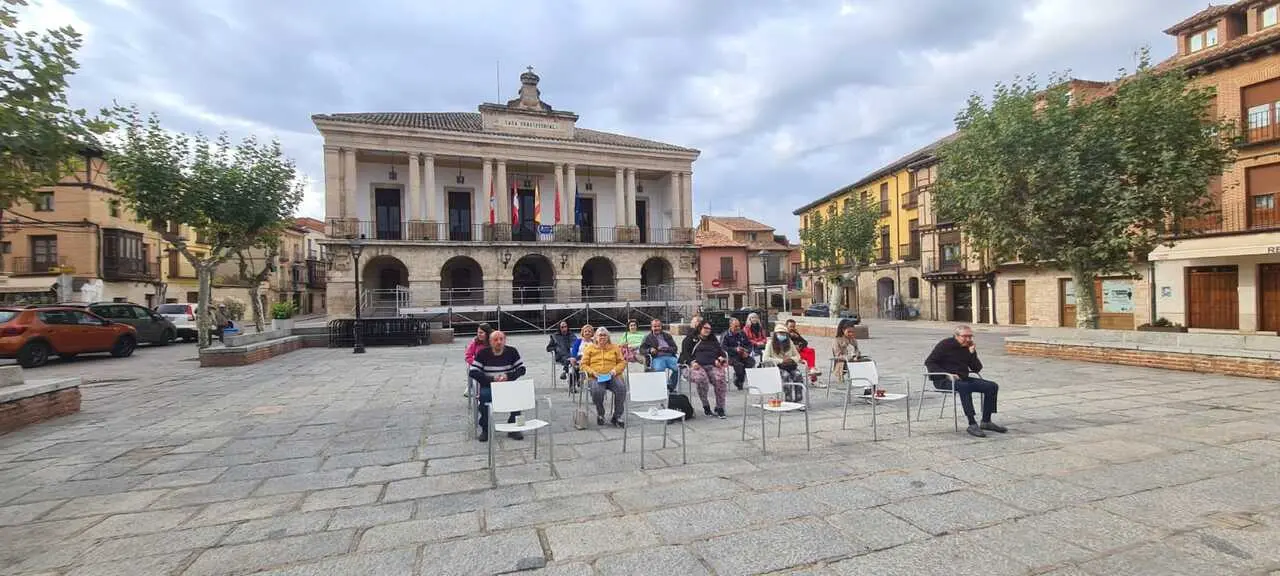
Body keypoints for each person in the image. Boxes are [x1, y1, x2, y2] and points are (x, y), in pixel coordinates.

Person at [925, 325, 1007, 438]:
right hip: (943, 380)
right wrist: (947, 375)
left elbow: (977, 368)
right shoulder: (945, 344)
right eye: (965, 336)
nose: (968, 339)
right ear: (956, 336)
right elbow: (930, 362)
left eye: (970, 336)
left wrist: (972, 353)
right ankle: (972, 423)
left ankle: (986, 421)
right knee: (965, 387)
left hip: (963, 379)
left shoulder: (968, 347)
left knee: (992, 386)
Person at [468, 330, 527, 442]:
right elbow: (473, 371)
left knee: (519, 394)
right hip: (490, 385)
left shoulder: (512, 351)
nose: (499, 342)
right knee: (484, 396)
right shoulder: (483, 353)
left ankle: (514, 427)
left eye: (501, 339)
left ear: (505, 340)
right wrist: (492, 379)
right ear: (490, 342)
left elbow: (522, 369)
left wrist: (508, 376)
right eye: (495, 340)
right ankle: (485, 429)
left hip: (508, 385)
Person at [581, 327, 628, 427]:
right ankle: (601, 413)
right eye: (600, 335)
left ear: (608, 337)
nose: (602, 337)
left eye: (604, 335)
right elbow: (583, 364)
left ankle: (617, 416)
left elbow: (622, 362)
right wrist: (592, 372)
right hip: (595, 377)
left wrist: (615, 370)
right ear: (595, 337)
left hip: (612, 375)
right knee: (598, 391)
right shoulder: (589, 348)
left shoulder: (615, 347)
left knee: (621, 388)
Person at [688, 319, 729, 418]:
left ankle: (720, 407)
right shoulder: (691, 339)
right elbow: (685, 355)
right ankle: (706, 405)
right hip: (697, 365)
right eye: (705, 328)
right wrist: (692, 362)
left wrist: (720, 358)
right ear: (700, 328)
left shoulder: (713, 340)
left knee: (720, 379)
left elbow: (721, 353)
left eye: (709, 329)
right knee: (702, 378)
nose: (707, 330)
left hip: (711, 365)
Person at [763, 324, 805, 405]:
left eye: (784, 333)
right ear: (775, 334)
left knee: (798, 374)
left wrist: (791, 359)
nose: (782, 335)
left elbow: (797, 356)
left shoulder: (789, 342)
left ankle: (798, 399)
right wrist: (781, 361)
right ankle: (788, 399)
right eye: (780, 333)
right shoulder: (770, 343)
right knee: (785, 376)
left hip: (790, 365)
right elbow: (765, 358)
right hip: (777, 367)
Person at [641, 319, 680, 391]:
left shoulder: (667, 335)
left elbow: (675, 348)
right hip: (657, 357)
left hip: (670, 356)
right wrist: (650, 350)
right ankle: (660, 390)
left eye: (659, 326)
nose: (657, 328)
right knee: (658, 370)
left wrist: (665, 348)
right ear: (651, 327)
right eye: (655, 326)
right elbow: (642, 350)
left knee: (679, 367)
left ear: (661, 326)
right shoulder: (648, 337)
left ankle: (671, 386)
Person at [720, 317, 754, 390]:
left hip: (742, 354)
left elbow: (749, 344)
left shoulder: (742, 333)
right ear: (730, 326)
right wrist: (735, 349)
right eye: (736, 326)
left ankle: (739, 378)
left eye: (739, 326)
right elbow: (722, 348)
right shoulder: (725, 335)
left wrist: (747, 352)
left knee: (751, 362)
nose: (738, 328)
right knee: (739, 365)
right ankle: (739, 381)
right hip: (730, 356)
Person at [464, 323, 495, 397]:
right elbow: (468, 356)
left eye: (481, 333)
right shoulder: (475, 342)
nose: (479, 334)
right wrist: (476, 363)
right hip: (478, 366)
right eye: (478, 332)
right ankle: (478, 394)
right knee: (478, 374)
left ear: (487, 333)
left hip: (492, 365)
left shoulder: (493, 341)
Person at [785, 318, 820, 383]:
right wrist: (791, 337)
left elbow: (805, 342)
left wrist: (799, 344)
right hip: (792, 354)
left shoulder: (795, 333)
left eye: (793, 326)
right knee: (810, 358)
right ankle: (813, 378)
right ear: (786, 326)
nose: (792, 328)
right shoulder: (784, 334)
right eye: (790, 327)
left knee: (811, 351)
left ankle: (812, 370)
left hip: (800, 350)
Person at [567, 324, 594, 393]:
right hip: (579, 359)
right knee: (572, 367)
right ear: (582, 333)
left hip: (591, 361)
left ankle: (582, 378)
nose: (587, 333)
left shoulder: (594, 342)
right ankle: (573, 385)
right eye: (585, 331)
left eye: (589, 331)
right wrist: (574, 358)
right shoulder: (578, 341)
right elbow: (574, 351)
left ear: (592, 333)